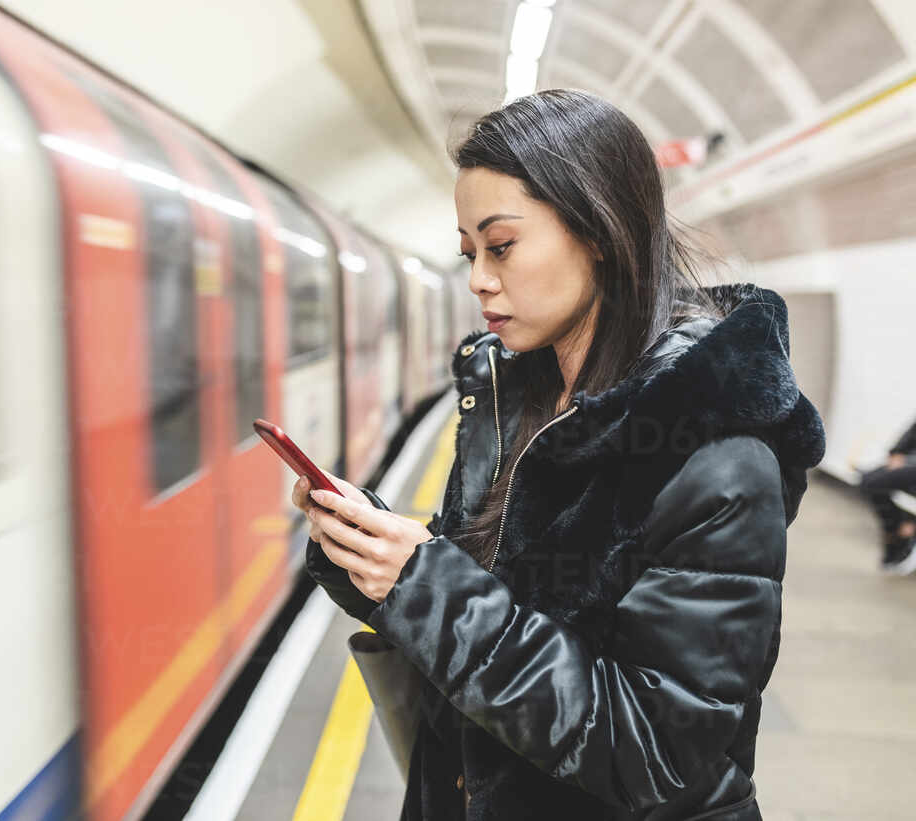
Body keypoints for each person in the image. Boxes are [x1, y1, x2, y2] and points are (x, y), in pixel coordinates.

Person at [290, 89, 826, 821]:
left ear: (599, 230)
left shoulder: (717, 456)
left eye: (501, 245)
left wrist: (426, 585)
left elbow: (654, 750)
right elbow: (489, 612)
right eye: (469, 252)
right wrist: (377, 557)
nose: (478, 277)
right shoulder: (519, 406)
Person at [858, 417, 916, 573]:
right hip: (909, 462)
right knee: (868, 480)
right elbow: (912, 431)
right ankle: (899, 531)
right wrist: (897, 452)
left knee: (873, 483)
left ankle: (904, 534)